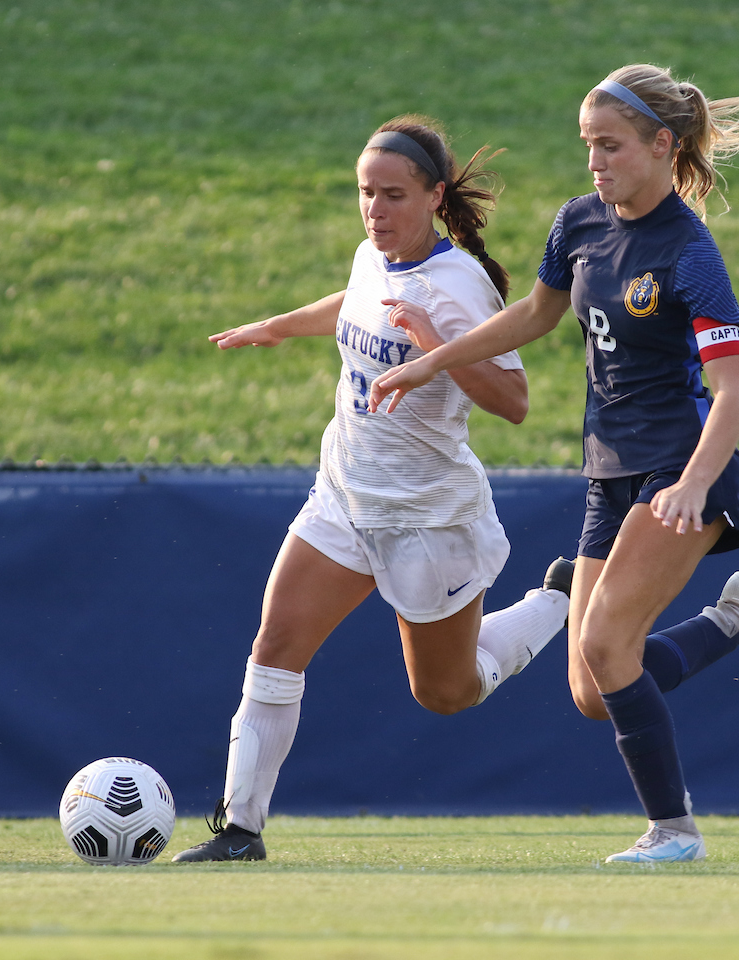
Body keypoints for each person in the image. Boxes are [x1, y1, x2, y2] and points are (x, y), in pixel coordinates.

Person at [370, 65, 739, 863]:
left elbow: (733, 394)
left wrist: (692, 485)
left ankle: (673, 832)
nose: (595, 163)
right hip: (608, 473)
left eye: (611, 146)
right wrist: (431, 361)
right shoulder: (579, 223)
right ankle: (738, 618)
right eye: (588, 145)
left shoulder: (691, 255)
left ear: (663, 146)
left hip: (683, 471)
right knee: (594, 686)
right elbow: (534, 315)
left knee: (607, 652)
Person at [171, 116, 571, 862]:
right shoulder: (371, 254)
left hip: (425, 517)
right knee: (276, 645)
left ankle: (558, 603)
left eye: (392, 195)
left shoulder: (459, 286)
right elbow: (356, 303)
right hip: (345, 496)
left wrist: (433, 345)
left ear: (435, 196)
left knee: (446, 692)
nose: (374, 210)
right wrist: (278, 325)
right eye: (365, 193)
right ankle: (240, 832)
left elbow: (513, 402)